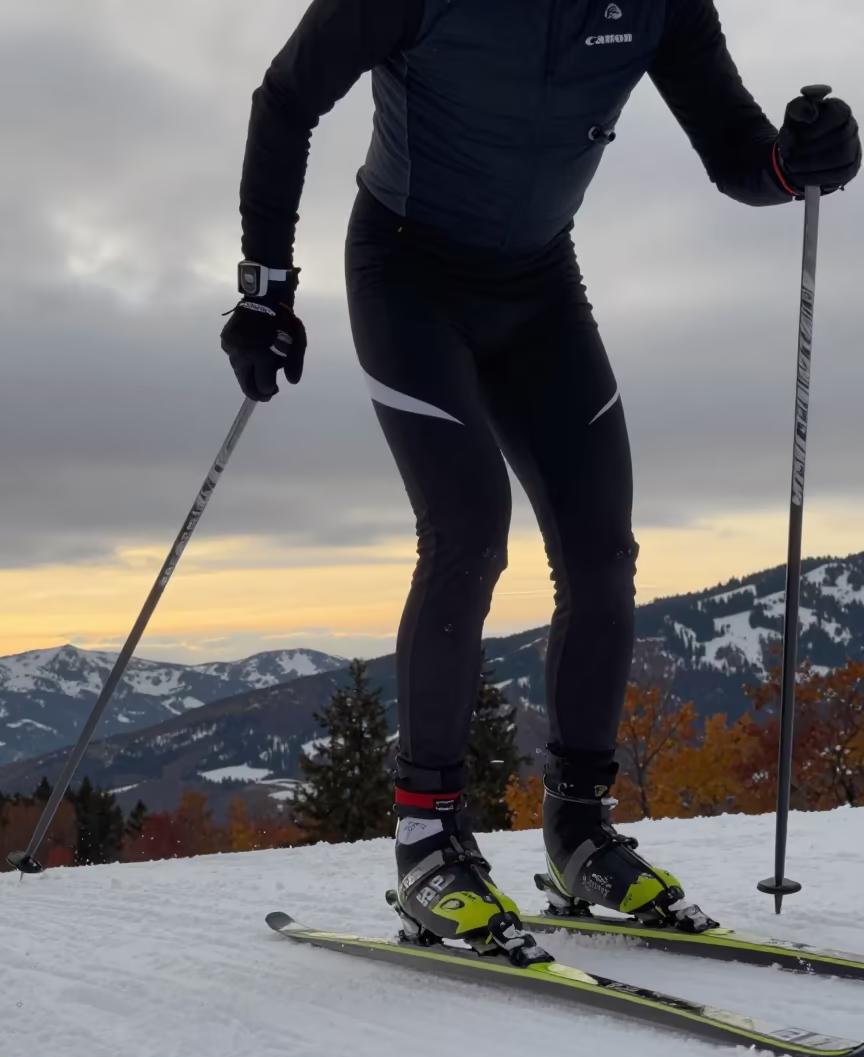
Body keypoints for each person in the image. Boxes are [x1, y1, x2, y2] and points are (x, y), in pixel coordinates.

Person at [222, 0, 860, 955]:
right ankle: (428, 839)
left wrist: (797, 162)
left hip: (539, 288)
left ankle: (579, 833)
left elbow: (736, 151)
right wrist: (265, 289)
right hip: (406, 275)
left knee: (601, 550)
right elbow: (286, 98)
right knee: (469, 529)